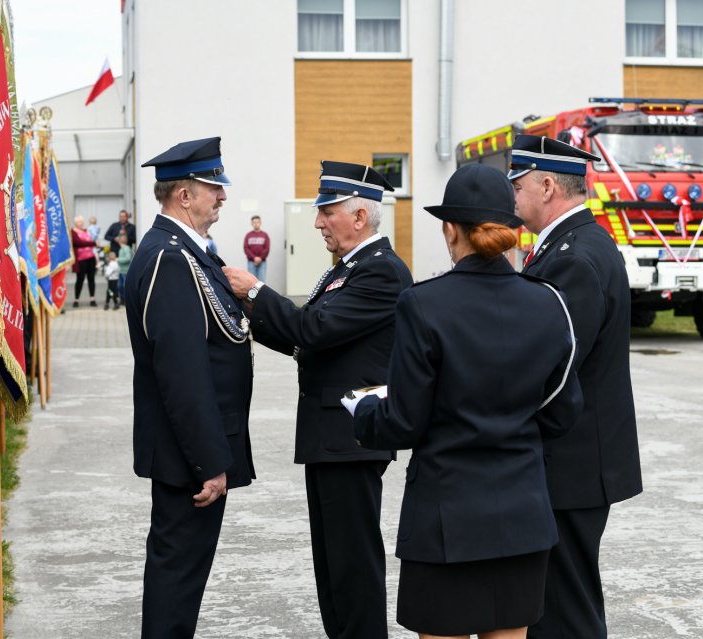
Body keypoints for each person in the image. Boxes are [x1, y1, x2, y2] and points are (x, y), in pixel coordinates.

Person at [344, 164, 582, 639]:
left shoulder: (424, 304)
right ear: (510, 229)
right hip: (521, 517)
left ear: (450, 230)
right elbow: (563, 409)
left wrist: (366, 412)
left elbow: (404, 421)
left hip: (445, 517)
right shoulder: (548, 303)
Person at [224, 160, 413, 639]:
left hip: (352, 436)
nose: (317, 222)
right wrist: (249, 311)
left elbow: (313, 329)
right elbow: (306, 341)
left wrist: (258, 290)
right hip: (331, 438)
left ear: (360, 216)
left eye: (327, 210)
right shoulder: (347, 270)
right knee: (332, 566)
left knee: (353, 567)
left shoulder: (382, 272)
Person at [509, 135, 643, 639]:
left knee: (567, 612)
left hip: (572, 463)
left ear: (547, 185)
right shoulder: (573, 244)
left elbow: (554, 365)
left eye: (517, 184)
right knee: (560, 603)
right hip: (575, 460)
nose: (512, 197)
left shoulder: (573, 256)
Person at [126, 136, 254, 638]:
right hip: (189, 460)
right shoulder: (170, 258)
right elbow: (181, 371)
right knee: (177, 578)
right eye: (212, 187)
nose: (221, 196)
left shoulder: (187, 252)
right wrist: (210, 461)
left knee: (183, 578)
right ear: (184, 195)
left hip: (192, 454)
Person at [71, 215, 98, 307]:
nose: (81, 223)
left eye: (82, 222)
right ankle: (76, 299)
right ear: (75, 223)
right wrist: (92, 243)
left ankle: (92, 299)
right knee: (80, 279)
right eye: (79, 222)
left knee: (91, 279)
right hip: (80, 260)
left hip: (91, 258)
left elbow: (94, 239)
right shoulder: (73, 232)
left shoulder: (88, 231)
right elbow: (78, 243)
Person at [243, 214, 270, 281]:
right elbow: (246, 248)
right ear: (251, 224)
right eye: (254, 222)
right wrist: (254, 258)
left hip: (262, 262)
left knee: (261, 282)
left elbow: (267, 248)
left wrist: (260, 258)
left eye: (257, 222)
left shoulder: (265, 235)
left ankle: (261, 292)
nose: (256, 224)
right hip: (251, 262)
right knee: (251, 281)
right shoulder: (248, 235)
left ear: (260, 223)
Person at [116, 230, 132, 309]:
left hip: (126, 271)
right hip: (121, 271)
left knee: (125, 286)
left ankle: (126, 300)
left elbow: (128, 258)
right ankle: (122, 299)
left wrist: (118, 259)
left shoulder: (126, 248)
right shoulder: (120, 249)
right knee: (119, 286)